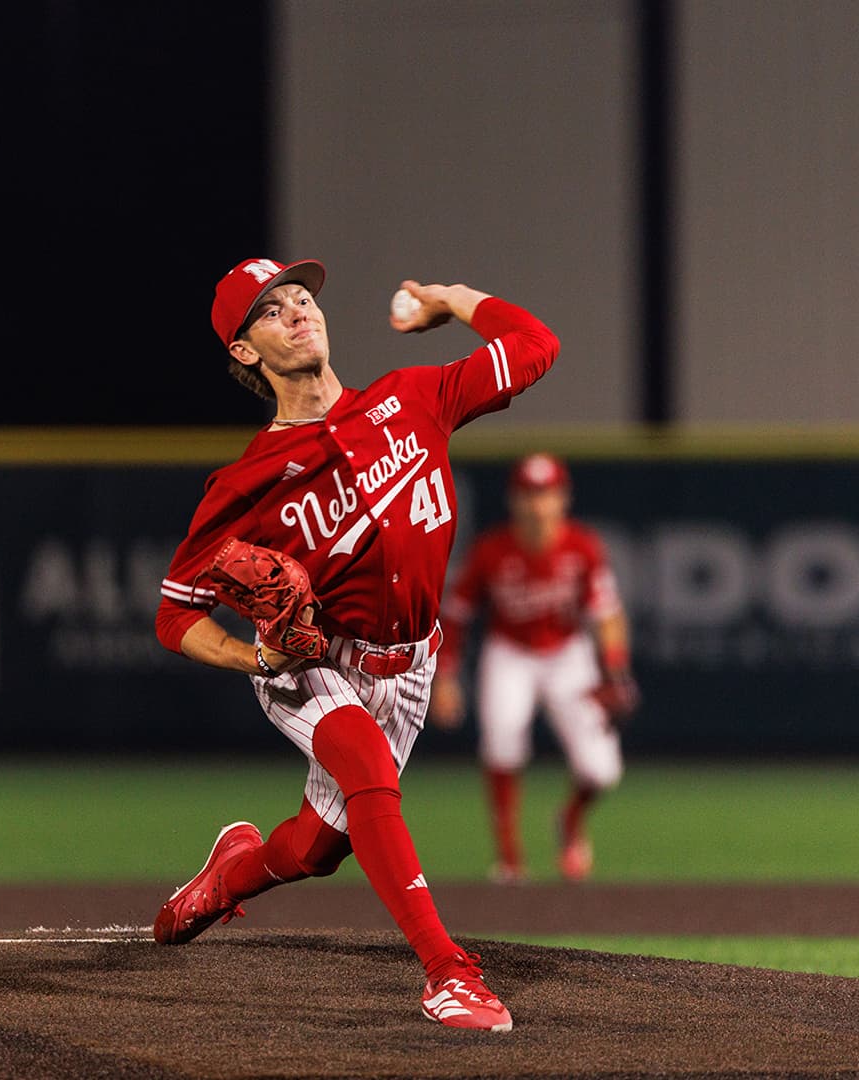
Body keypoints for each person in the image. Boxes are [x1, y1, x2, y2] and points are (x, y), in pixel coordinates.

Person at [151, 257, 560, 1032]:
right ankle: (447, 973)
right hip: (312, 660)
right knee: (368, 771)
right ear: (244, 350)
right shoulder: (245, 484)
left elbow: (537, 345)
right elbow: (176, 615)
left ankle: (228, 877)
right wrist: (254, 658)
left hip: (412, 661)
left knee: (320, 848)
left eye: (302, 298)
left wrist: (453, 299)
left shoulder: (413, 398)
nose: (299, 310)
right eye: (273, 310)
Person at [429, 452, 636, 884]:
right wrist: (445, 677)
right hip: (510, 653)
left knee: (602, 770)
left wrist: (615, 671)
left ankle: (570, 821)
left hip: (568, 654)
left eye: (546, 493)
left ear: (563, 497)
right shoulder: (491, 550)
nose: (537, 504)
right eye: (528, 494)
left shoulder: (582, 547)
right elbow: (456, 616)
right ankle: (509, 861)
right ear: (514, 499)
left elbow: (608, 615)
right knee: (502, 743)